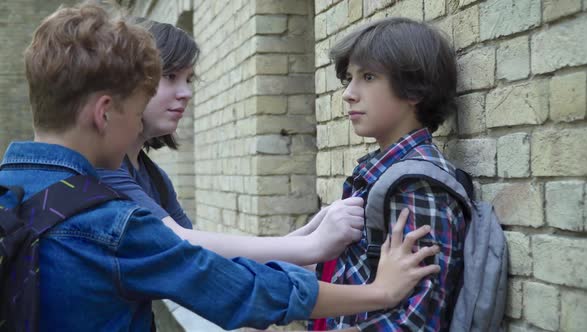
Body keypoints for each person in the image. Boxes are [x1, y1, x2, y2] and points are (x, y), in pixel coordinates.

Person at [0, 4, 441, 330]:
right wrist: (379, 292)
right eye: (137, 112)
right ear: (104, 112)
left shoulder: (10, 186)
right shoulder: (109, 224)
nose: (141, 126)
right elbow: (230, 285)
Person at [97, 19, 367, 266]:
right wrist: (313, 245)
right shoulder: (104, 169)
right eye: (170, 77)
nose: (186, 93)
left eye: (189, 80)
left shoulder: (154, 179)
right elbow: (178, 242)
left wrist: (310, 233)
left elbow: (201, 256)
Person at [312, 17, 467, 331]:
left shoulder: (416, 185)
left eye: (368, 77)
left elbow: (417, 321)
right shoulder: (380, 172)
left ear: (414, 90)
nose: (349, 94)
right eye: (349, 79)